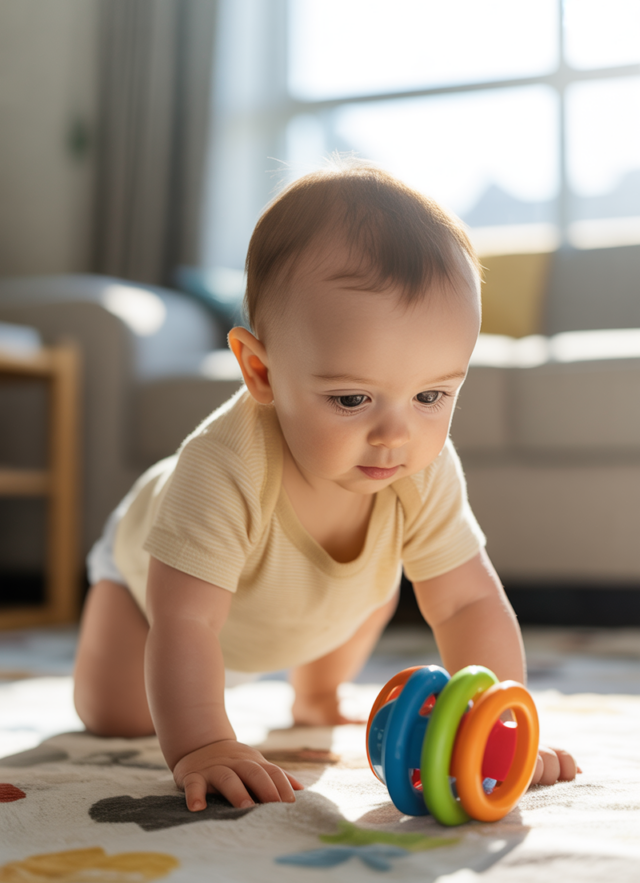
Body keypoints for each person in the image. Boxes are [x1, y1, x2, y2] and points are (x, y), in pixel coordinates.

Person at [74, 161, 578, 812]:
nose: (394, 435)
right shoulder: (220, 469)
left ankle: (315, 693)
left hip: (308, 598)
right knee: (119, 715)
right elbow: (187, 618)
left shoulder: (420, 470)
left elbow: (465, 605)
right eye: (351, 398)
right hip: (151, 583)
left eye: (431, 395)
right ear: (260, 371)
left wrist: (502, 725)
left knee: (387, 563)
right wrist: (203, 744)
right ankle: (118, 631)